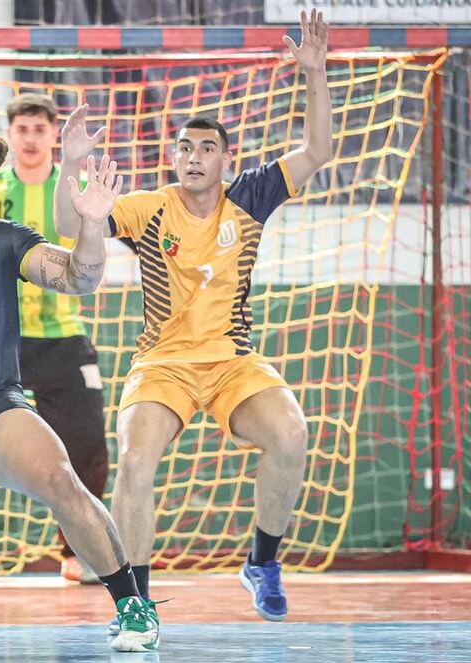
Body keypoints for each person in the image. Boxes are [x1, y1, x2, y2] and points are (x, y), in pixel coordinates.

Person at [54, 9, 333, 623]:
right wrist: (71, 162)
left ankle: (261, 561)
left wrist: (314, 74)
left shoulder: (253, 197)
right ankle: (136, 602)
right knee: (133, 458)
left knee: (290, 435)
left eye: (207, 147)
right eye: (184, 147)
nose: (194, 156)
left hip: (233, 362)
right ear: (174, 157)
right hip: (164, 365)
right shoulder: (149, 208)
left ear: (225, 160)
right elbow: (67, 226)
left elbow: (317, 150)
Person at [0, 124, 159, 651]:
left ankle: (132, 605)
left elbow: (80, 278)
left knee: (63, 477)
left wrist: (90, 226)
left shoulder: (2, 237)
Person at [0, 93, 112, 585]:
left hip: (62, 337)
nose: (31, 137)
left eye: (40, 128)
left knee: (88, 444)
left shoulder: (74, 187)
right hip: (2, 340)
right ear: (11, 134)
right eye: (23, 128)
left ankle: (77, 551)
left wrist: (76, 161)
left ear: (52, 135)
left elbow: (75, 233)